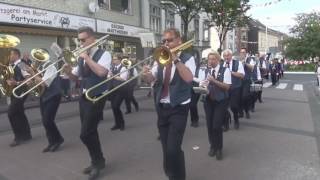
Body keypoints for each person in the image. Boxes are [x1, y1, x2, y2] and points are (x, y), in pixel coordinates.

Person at [142, 28, 195, 180]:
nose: (166, 43)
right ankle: (171, 171)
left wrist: (176, 59)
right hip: (162, 106)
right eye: (164, 41)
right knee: (166, 146)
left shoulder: (187, 57)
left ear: (179, 41)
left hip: (179, 107)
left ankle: (178, 176)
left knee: (173, 148)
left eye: (170, 40)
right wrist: (146, 75)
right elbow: (153, 79)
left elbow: (189, 78)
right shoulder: (160, 57)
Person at [63, 26, 111, 180]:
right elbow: (75, 78)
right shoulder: (81, 57)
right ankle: (97, 160)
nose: (81, 43)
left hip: (97, 96)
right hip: (84, 96)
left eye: (83, 40)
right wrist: (68, 71)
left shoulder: (104, 54)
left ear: (92, 39)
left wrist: (87, 58)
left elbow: (102, 72)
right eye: (79, 40)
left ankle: (98, 162)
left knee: (85, 134)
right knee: (91, 132)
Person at [200, 50, 231, 160]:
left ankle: (219, 148)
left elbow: (227, 87)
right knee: (209, 125)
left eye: (213, 59)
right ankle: (212, 146)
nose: (211, 61)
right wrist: (202, 86)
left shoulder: (225, 70)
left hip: (221, 101)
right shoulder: (206, 70)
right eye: (209, 59)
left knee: (216, 125)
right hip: (208, 100)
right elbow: (204, 84)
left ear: (218, 60)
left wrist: (214, 81)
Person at [31, 54, 64, 152]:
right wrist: (31, 81)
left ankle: (58, 139)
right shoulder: (41, 67)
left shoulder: (50, 66)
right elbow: (38, 82)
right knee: (45, 121)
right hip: (44, 96)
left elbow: (43, 83)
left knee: (47, 120)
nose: (35, 60)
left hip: (53, 96)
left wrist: (33, 74)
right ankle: (51, 142)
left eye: (37, 58)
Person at [6, 48, 32, 147]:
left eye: (10, 54)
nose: (9, 56)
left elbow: (29, 80)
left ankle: (18, 137)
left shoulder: (22, 64)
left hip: (21, 92)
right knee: (20, 112)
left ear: (16, 55)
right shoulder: (10, 65)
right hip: (14, 92)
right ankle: (27, 134)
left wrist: (15, 83)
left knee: (11, 113)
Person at [223, 49, 245, 129]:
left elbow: (242, 75)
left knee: (233, 106)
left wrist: (231, 72)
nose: (226, 57)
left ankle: (236, 119)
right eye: (225, 56)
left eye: (228, 55)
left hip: (235, 87)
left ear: (231, 56)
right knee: (223, 107)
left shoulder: (237, 63)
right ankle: (225, 124)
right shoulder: (222, 64)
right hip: (225, 88)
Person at [109, 53, 128, 131]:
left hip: (121, 90)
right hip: (113, 90)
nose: (113, 60)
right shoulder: (112, 68)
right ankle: (117, 124)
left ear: (120, 60)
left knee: (116, 106)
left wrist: (113, 75)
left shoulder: (123, 68)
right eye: (113, 59)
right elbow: (108, 77)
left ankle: (122, 123)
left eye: (115, 59)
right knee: (113, 107)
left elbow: (123, 79)